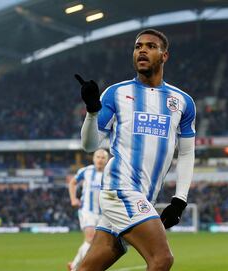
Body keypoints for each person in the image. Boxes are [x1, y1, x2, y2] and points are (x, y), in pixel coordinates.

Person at [75, 28, 196, 271]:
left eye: (151, 46)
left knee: (88, 268)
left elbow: (185, 153)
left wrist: (180, 200)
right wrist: (91, 110)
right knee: (162, 259)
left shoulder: (182, 102)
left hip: (144, 196)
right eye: (138, 46)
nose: (142, 50)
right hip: (121, 189)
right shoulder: (116, 93)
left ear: (164, 56)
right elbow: (89, 145)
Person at [67, 149, 109, 271]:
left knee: (98, 243)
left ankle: (74, 265)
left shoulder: (109, 173)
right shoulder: (86, 171)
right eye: (98, 157)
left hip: (104, 214)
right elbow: (72, 183)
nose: (100, 160)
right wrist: (73, 199)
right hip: (87, 211)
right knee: (90, 239)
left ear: (106, 160)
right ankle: (79, 268)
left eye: (103, 157)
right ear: (94, 158)